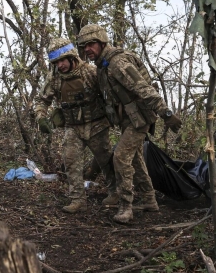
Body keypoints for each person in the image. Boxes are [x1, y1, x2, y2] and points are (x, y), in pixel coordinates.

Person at [76, 24, 182, 224]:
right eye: (84, 46)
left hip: (139, 118)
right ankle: (150, 200)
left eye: (91, 44)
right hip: (128, 118)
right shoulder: (102, 66)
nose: (87, 49)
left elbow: (143, 88)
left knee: (120, 157)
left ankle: (126, 206)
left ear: (101, 42)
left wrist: (166, 112)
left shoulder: (117, 63)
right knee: (135, 159)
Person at [34, 37, 116, 213]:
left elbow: (109, 93)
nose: (60, 65)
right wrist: (41, 117)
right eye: (56, 62)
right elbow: (42, 100)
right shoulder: (55, 78)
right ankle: (77, 199)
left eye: (63, 60)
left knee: (106, 161)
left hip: (97, 124)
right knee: (70, 161)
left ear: (71, 57)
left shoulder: (90, 72)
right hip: (73, 126)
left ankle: (115, 192)